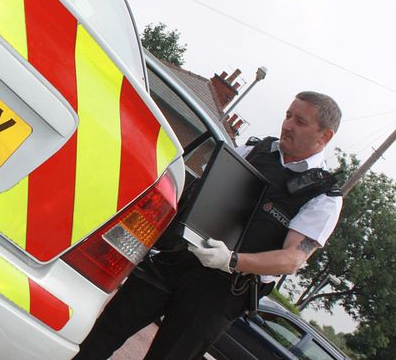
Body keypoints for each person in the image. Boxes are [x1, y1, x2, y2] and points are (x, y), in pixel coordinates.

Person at [74, 91, 343, 360]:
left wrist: (232, 260)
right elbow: (199, 192)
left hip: (222, 292)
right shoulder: (253, 150)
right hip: (177, 259)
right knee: (103, 334)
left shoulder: (322, 196)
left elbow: (292, 259)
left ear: (325, 136)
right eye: (288, 115)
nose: (287, 125)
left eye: (300, 121)